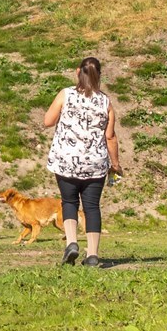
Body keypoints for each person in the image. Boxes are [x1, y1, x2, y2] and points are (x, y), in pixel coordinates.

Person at [42, 57, 122, 267]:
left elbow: (47, 121)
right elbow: (110, 137)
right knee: (92, 207)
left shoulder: (65, 94)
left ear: (78, 72)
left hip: (66, 159)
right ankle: (93, 255)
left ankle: (72, 243)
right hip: (95, 163)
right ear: (100, 76)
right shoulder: (105, 102)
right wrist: (115, 164)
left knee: (69, 202)